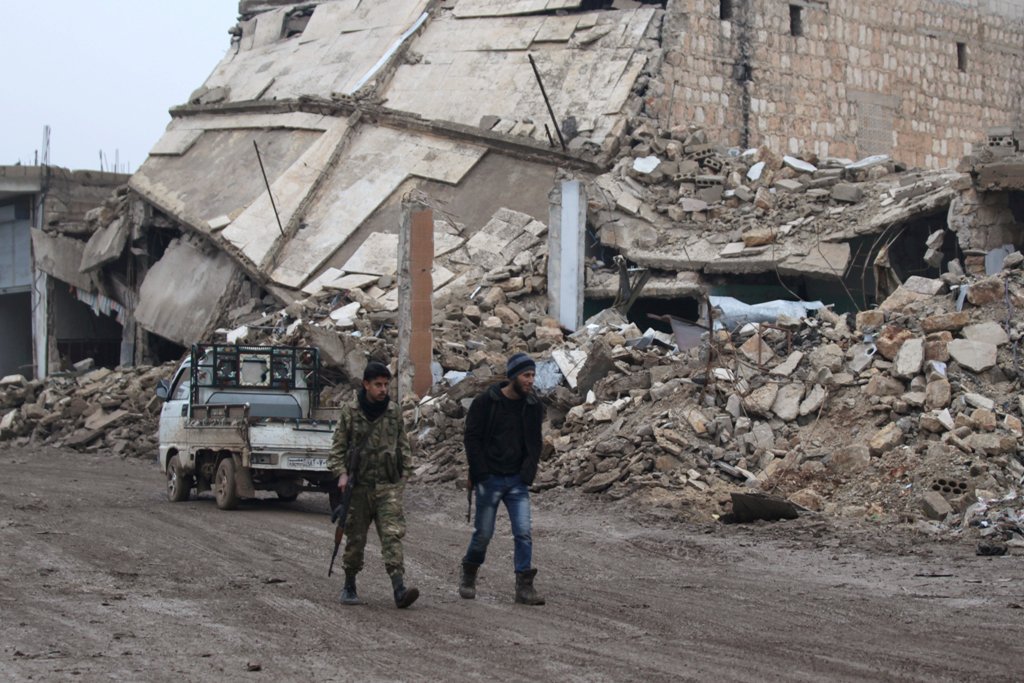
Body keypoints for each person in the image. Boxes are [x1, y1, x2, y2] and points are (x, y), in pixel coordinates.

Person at [328, 361, 419, 609]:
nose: (383, 389)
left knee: (392, 536)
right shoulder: (351, 412)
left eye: (386, 384)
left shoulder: (393, 412)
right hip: (358, 487)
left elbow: (403, 446)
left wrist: (404, 477)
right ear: (366, 385)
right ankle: (349, 584)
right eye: (377, 384)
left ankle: (399, 587)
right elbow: (337, 449)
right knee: (355, 539)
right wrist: (342, 474)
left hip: (387, 487)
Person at [459, 352, 546, 605]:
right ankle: (469, 573)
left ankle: (524, 587)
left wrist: (527, 474)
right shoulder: (486, 402)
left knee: (523, 532)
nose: (530, 380)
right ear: (512, 377)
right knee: (484, 532)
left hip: (517, 481)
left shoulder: (533, 406)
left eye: (532, 375)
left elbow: (535, 443)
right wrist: (481, 473)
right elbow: (472, 439)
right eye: (526, 375)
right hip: (490, 479)